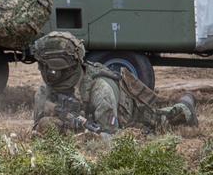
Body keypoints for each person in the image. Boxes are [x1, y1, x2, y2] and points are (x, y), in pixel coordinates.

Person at [31, 31, 199, 134]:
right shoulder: (44, 92)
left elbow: (111, 136)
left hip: (131, 115)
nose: (40, 69)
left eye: (43, 65)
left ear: (56, 69)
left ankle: (187, 107)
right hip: (88, 118)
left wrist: (83, 133)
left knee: (166, 118)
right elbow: (36, 129)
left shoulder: (100, 89)